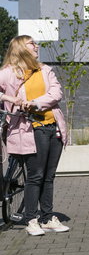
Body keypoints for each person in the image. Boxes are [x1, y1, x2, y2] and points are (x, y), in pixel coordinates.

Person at [0, 35, 69, 236]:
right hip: (30, 128)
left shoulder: (45, 70)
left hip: (52, 126)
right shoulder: (7, 73)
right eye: (32, 43)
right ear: (21, 48)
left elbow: (56, 93)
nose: (36, 46)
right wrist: (8, 97)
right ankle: (31, 219)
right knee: (36, 176)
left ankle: (47, 218)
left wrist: (35, 103)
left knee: (49, 176)